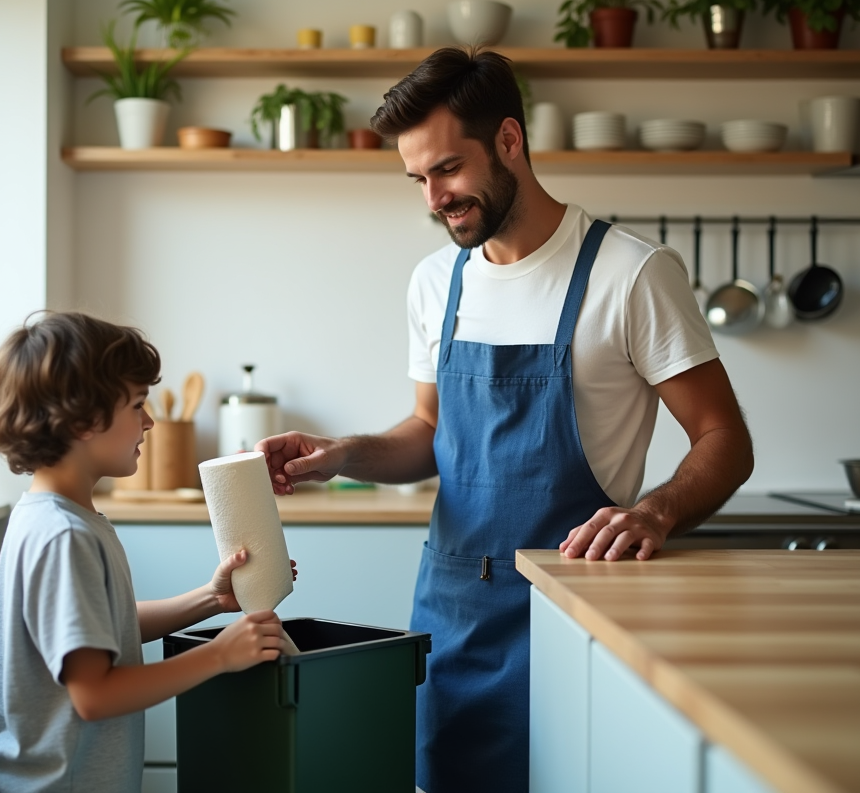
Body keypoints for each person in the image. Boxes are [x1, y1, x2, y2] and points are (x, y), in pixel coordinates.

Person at [254, 47, 753, 793]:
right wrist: (341, 453)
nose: (433, 198)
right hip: (451, 616)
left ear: (511, 142)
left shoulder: (632, 275)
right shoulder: (436, 283)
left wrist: (655, 513)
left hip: (577, 612)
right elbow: (429, 431)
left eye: (448, 170)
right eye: (418, 179)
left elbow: (725, 440)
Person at [0, 311, 293, 793]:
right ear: (83, 419)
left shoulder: (54, 517)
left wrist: (210, 598)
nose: (149, 421)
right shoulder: (65, 536)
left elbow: (103, 631)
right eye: (137, 404)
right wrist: (218, 657)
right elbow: (94, 693)